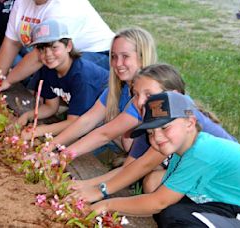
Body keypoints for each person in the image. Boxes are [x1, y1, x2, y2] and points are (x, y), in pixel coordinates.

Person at [91, 91, 240, 228]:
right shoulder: (183, 151)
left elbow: (158, 202)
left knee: (174, 216)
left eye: (164, 127)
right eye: (151, 132)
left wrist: (106, 204)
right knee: (170, 208)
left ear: (190, 123)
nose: (157, 137)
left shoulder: (202, 152)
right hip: (233, 207)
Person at [70, 64, 237, 203]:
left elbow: (143, 165)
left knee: (153, 182)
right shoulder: (152, 124)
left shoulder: (178, 119)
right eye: (135, 94)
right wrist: (86, 184)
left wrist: (100, 192)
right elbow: (130, 167)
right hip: (201, 175)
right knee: (152, 182)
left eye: (149, 94)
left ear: (173, 95)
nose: (140, 101)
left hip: (228, 184)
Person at [45, 27, 157, 157]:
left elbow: (104, 134)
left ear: (143, 57)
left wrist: (60, 157)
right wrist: (49, 147)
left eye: (125, 56)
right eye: (114, 56)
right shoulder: (119, 88)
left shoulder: (145, 96)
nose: (118, 63)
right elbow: (87, 120)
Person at [0, 0, 114, 92]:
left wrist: (8, 81)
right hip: (60, 53)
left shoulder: (63, 6)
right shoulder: (21, 2)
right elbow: (11, 43)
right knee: (36, 93)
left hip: (100, 54)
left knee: (60, 69)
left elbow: (38, 57)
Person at [18, 19, 108, 139]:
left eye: (54, 47)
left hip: (107, 117)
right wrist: (28, 115)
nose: (48, 54)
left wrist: (39, 130)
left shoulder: (82, 76)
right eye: (42, 49)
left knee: (74, 145)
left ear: (68, 46)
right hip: (82, 115)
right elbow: (51, 106)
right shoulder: (48, 69)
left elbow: (75, 123)